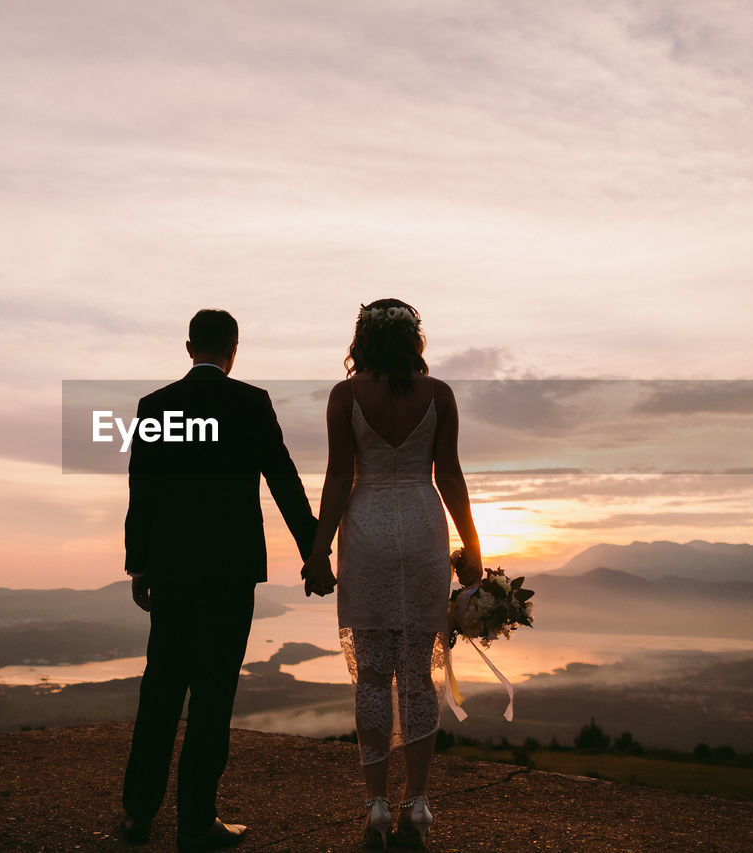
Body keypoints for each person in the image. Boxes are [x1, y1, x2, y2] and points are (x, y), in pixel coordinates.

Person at [120, 309, 323, 852]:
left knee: (160, 685)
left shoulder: (153, 407)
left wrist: (139, 566)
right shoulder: (250, 404)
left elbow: (142, 494)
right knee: (213, 692)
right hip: (230, 572)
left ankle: (138, 814)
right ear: (234, 349)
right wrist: (314, 553)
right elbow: (283, 480)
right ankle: (196, 822)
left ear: (189, 348)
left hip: (170, 569)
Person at [301, 298, 483, 850]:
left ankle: (377, 803)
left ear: (362, 339)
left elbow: (337, 477)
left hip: (369, 533)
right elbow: (448, 474)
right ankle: (418, 803)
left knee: (374, 676)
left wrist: (318, 551)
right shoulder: (440, 396)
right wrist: (472, 544)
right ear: (413, 339)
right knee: (419, 673)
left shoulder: (345, 396)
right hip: (425, 531)